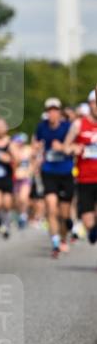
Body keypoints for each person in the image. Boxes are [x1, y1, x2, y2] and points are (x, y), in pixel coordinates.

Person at [33, 98, 74, 258]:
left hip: (65, 172)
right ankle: (55, 242)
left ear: (60, 112)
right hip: (48, 171)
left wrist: (63, 148)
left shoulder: (67, 127)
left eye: (55, 110)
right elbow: (36, 142)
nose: (52, 113)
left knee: (64, 214)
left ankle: (63, 238)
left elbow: (74, 148)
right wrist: (36, 148)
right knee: (51, 206)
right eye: (49, 110)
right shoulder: (41, 127)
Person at [63, 87, 97, 249]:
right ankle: (93, 230)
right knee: (88, 221)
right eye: (95, 103)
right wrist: (74, 148)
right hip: (85, 179)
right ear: (90, 104)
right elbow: (65, 147)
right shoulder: (78, 124)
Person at [12, 133, 33, 228]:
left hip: (26, 178)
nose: (20, 144)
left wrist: (31, 170)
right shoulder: (13, 150)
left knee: (23, 198)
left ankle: (23, 216)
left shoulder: (28, 150)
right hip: (15, 178)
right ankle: (20, 214)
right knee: (17, 200)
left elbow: (34, 160)